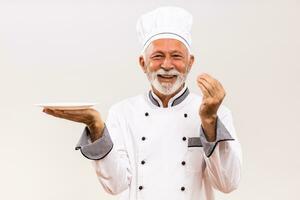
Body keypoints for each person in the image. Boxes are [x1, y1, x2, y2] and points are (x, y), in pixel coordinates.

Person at [43, 6, 242, 200]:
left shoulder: (217, 114)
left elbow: (227, 183)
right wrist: (95, 126)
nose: (166, 65)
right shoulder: (122, 113)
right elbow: (115, 185)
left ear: (190, 62)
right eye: (157, 56)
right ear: (142, 63)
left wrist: (209, 121)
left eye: (176, 56)